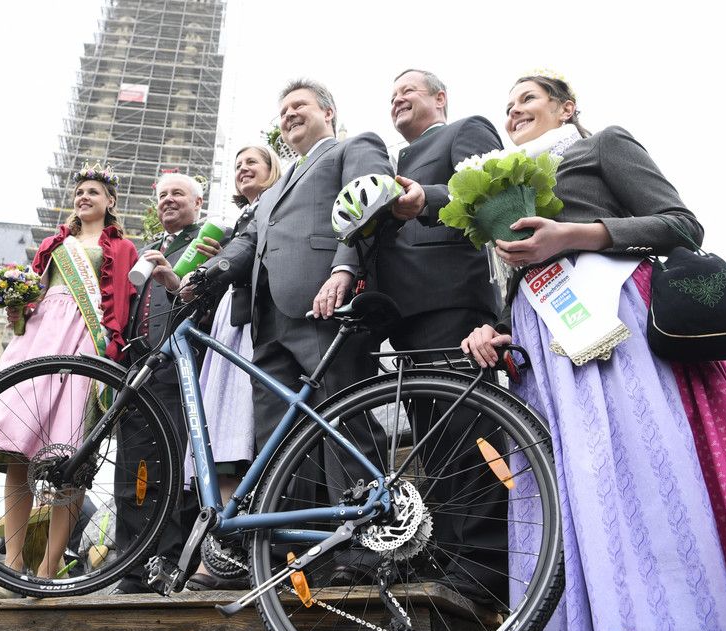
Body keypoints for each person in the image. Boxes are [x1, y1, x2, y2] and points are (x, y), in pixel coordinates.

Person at [461, 73, 726, 631]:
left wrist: (573, 234)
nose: (514, 111)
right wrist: (496, 326)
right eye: (508, 105)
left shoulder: (602, 145)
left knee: (637, 465)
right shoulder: (500, 189)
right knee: (566, 488)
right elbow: (519, 281)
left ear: (567, 108)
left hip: (615, 324)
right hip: (543, 346)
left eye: (528, 98)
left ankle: (665, 623)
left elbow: (680, 224)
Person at [203, 79, 393, 583]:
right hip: (267, 322)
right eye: (282, 109)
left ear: (328, 112)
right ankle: (293, 554)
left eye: (298, 105)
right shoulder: (272, 192)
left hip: (324, 303)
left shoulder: (353, 146)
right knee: (278, 438)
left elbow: (369, 202)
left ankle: (366, 545)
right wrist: (203, 275)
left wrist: (344, 268)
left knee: (341, 419)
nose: (288, 114)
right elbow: (246, 244)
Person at [0, 163, 138, 599]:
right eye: (80, 191)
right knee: (19, 452)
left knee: (71, 458)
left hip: (85, 345)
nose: (84, 197)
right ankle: (11, 567)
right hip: (41, 340)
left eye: (93, 192)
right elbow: (33, 298)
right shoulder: (54, 244)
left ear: (110, 202)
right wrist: (16, 307)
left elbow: (123, 303)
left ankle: (48, 570)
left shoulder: (122, 249)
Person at [379, 68, 507, 602]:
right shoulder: (391, 162)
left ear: (440, 97)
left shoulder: (465, 130)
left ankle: (487, 562)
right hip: (405, 318)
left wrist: (426, 197)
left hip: (453, 302)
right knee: (433, 441)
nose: (397, 99)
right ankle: (451, 553)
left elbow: (492, 194)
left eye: (407, 90)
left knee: (468, 431)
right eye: (392, 95)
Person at [147, 147, 283, 591]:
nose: (243, 169)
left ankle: (236, 553)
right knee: (221, 435)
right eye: (238, 164)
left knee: (243, 433)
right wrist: (183, 281)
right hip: (228, 325)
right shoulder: (234, 224)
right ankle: (217, 554)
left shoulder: (274, 206)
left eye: (253, 162)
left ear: (274, 170)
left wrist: (223, 259)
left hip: (256, 324)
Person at [112, 172, 211, 594]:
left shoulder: (206, 242)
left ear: (198, 202)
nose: (168, 200)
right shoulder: (149, 248)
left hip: (178, 372)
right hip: (137, 372)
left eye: (178, 194)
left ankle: (168, 562)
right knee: (130, 473)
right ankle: (131, 564)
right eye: (163, 195)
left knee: (173, 469)